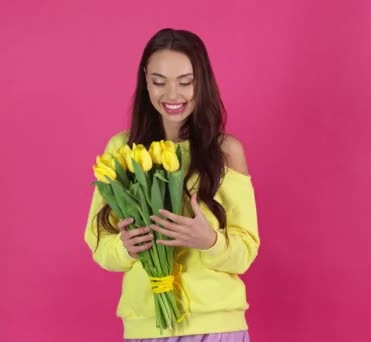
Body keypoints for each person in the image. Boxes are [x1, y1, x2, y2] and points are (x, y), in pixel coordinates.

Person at [84, 28, 259, 341]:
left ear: (202, 81)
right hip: (146, 326)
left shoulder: (226, 151)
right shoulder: (122, 151)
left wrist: (209, 241)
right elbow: (99, 244)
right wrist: (126, 248)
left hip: (216, 327)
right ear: (146, 81)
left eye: (186, 81)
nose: (172, 95)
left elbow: (246, 251)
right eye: (159, 81)